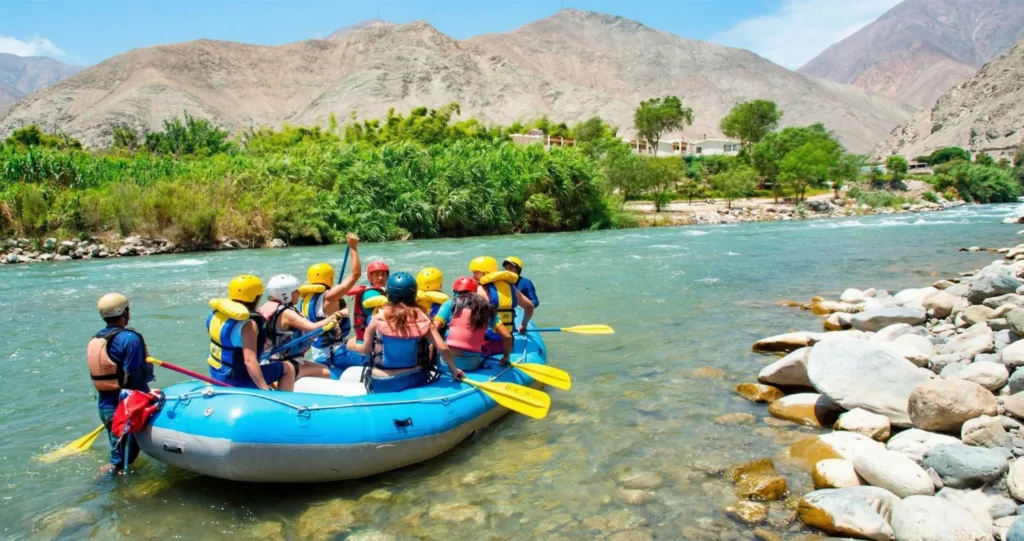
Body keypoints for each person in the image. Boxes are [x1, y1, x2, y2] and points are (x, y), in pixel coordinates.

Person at [351, 272, 465, 393]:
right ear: (414, 293)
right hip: (414, 378)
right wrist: (454, 370)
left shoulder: (376, 319)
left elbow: (365, 351)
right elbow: (443, 348)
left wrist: (351, 345)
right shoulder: (423, 319)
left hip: (382, 380)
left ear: (388, 294)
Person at [87, 293, 154, 473]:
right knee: (124, 460)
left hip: (105, 405)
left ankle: (114, 474)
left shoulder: (97, 339)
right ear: (125, 312)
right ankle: (112, 485)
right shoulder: (130, 339)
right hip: (125, 407)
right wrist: (150, 396)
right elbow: (134, 375)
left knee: (120, 454)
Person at [208, 275, 297, 390]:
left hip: (217, 375)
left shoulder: (216, 314)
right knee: (288, 368)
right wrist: (264, 389)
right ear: (257, 297)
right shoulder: (249, 325)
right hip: (236, 381)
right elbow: (249, 361)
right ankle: (282, 403)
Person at [297, 234, 364, 369]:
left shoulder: (306, 299)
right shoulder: (329, 296)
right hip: (336, 354)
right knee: (375, 356)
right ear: (330, 278)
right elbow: (356, 274)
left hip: (319, 354)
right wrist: (353, 247)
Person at [262, 274, 343, 378]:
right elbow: (312, 328)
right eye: (296, 291)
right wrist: (334, 316)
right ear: (286, 295)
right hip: (284, 364)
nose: (299, 294)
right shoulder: (287, 313)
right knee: (326, 373)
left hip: (284, 360)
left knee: (323, 367)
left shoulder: (276, 309)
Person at [433, 277, 512, 370]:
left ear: (455, 291)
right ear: (475, 292)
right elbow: (507, 336)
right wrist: (505, 357)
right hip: (472, 363)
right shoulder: (486, 308)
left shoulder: (449, 304)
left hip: (448, 362)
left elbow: (433, 329)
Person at [469, 256, 534, 350]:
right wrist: (523, 325)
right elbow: (529, 307)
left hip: (485, 342)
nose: (473, 276)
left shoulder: (478, 290)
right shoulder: (512, 288)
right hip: (507, 342)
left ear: (485, 273)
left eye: (475, 273)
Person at [348, 260, 390, 342]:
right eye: (377, 275)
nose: (381, 278)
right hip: (369, 338)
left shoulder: (384, 290)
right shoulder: (369, 293)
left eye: (383, 275)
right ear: (370, 278)